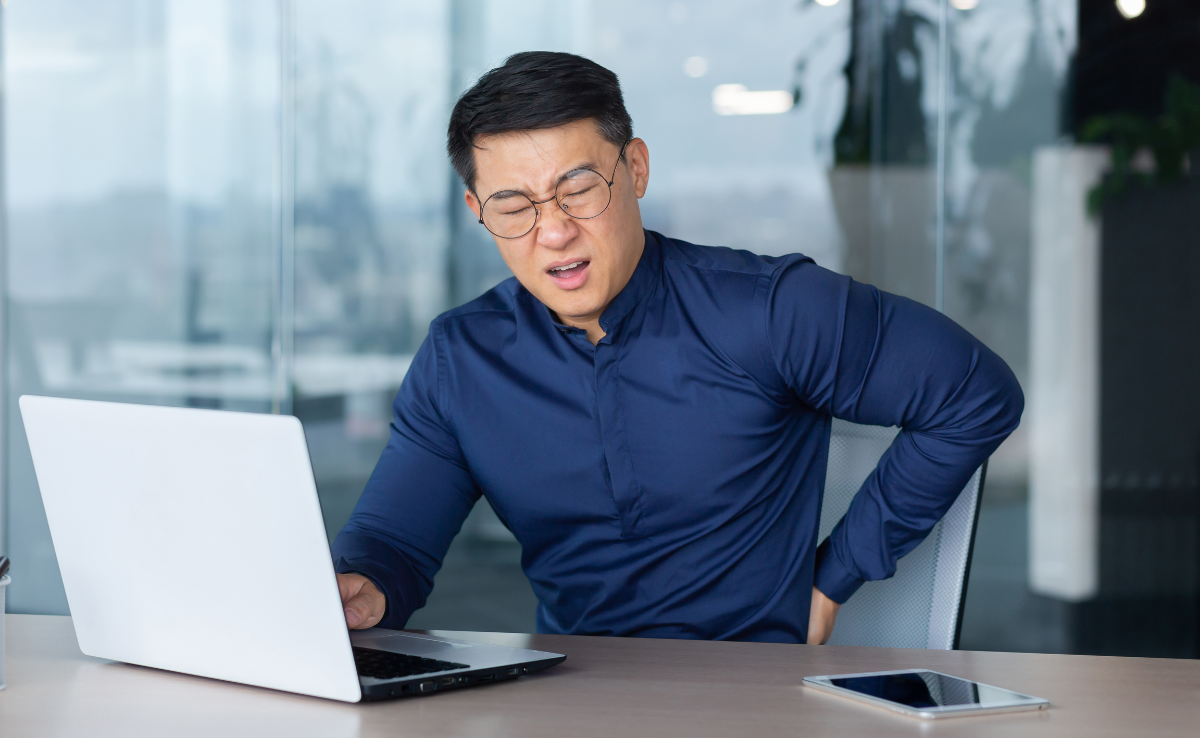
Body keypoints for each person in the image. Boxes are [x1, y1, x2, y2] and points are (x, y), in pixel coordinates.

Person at [331, 51, 1022, 645]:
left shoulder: (769, 309)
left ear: (635, 169)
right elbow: (393, 544)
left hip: (758, 696)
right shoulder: (461, 360)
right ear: (478, 212)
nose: (554, 232)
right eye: (514, 207)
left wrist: (834, 578)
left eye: (578, 190)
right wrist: (360, 589)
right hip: (569, 697)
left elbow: (973, 394)